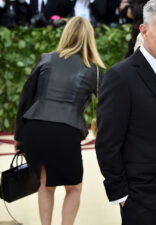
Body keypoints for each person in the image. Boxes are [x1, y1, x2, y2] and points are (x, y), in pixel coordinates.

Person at [95, 1, 156, 225]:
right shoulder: (120, 76)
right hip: (139, 196)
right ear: (144, 31)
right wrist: (121, 195)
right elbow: (108, 142)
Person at [14, 16, 105, 225]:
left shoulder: (46, 59)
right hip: (66, 131)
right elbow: (107, 106)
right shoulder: (95, 70)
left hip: (34, 128)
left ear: (65, 34)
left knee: (45, 185)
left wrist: (19, 137)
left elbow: (26, 98)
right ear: (90, 38)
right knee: (74, 188)